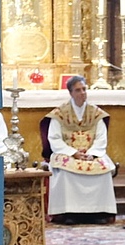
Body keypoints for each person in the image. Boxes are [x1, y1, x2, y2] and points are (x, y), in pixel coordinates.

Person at [45, 75, 117, 225]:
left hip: (92, 153)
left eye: (84, 89)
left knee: (104, 169)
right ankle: (68, 213)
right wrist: (73, 153)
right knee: (65, 171)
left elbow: (101, 138)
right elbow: (54, 138)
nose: (82, 93)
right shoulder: (59, 114)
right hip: (67, 153)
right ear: (70, 93)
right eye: (78, 90)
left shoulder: (96, 113)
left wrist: (92, 154)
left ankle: (99, 212)